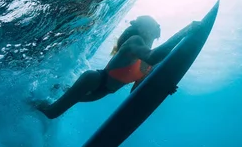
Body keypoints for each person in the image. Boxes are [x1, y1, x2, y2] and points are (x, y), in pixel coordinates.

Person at [32, 15, 202, 119]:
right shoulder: (135, 41)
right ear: (142, 28)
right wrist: (184, 31)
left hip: (102, 93)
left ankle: (59, 87)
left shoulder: (150, 66)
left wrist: (164, 87)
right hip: (94, 80)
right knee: (52, 113)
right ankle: (28, 103)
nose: (158, 27)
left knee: (63, 95)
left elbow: (137, 90)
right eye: (154, 24)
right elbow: (154, 56)